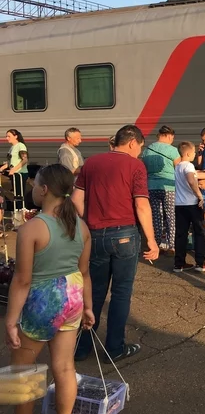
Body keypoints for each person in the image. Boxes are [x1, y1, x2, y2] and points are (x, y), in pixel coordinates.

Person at [5, 164, 94, 414]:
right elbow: (85, 272)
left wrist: (11, 321)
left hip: (43, 300)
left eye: (36, 184)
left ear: (44, 190)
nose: (32, 187)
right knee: (65, 367)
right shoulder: (81, 227)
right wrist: (88, 307)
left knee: (23, 370)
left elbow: (22, 280)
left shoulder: (31, 228)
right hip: (73, 297)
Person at [71, 124, 160, 362]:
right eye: (140, 147)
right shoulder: (135, 166)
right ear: (132, 142)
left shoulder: (91, 163)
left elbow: (76, 199)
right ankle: (114, 349)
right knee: (121, 293)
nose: (140, 152)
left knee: (94, 292)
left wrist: (88, 222)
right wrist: (152, 240)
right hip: (125, 235)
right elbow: (141, 205)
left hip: (95, 234)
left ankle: (81, 347)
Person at [173, 142, 205, 273]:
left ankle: (179, 264)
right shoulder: (189, 165)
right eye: (193, 152)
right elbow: (192, 179)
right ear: (187, 153)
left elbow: (196, 174)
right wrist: (199, 196)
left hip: (180, 206)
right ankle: (200, 263)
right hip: (192, 205)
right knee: (200, 233)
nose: (195, 154)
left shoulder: (178, 166)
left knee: (181, 234)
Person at [141, 125, 180, 254]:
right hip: (168, 187)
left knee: (156, 216)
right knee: (171, 216)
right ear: (169, 136)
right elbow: (179, 169)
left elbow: (144, 169)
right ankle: (172, 245)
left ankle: (156, 243)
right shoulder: (173, 150)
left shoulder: (147, 150)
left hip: (151, 187)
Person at [1, 129, 29, 212]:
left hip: (20, 174)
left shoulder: (21, 146)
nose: (7, 138)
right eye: (6, 136)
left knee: (19, 194)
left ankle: (21, 210)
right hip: (14, 174)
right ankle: (17, 210)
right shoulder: (12, 148)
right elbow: (10, 162)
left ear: (16, 136)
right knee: (15, 194)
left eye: (9, 136)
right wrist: (2, 168)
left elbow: (24, 160)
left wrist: (14, 169)